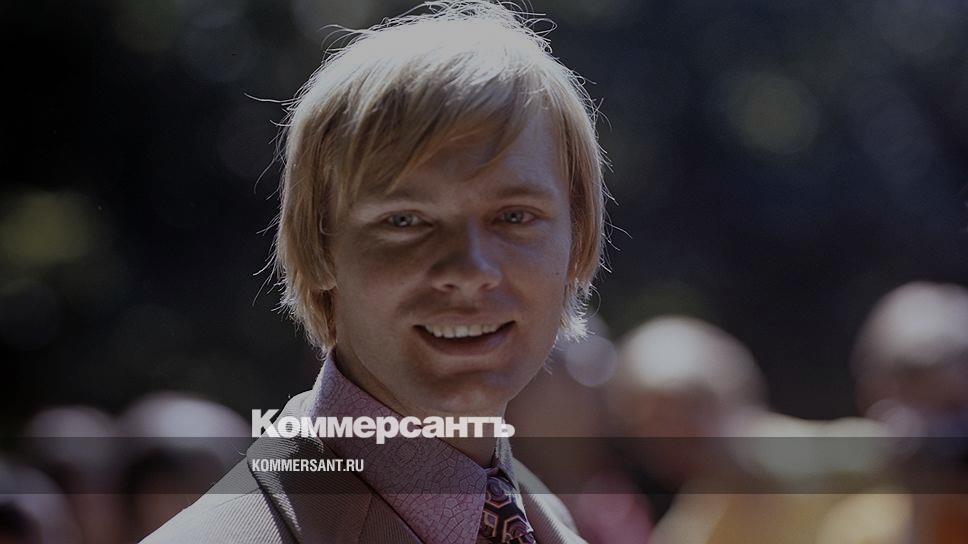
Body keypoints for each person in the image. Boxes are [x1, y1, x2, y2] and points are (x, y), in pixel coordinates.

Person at [143, 1, 605, 542]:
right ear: (318, 246)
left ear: (577, 238)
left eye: (515, 216)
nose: (470, 270)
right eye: (405, 220)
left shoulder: (543, 516)